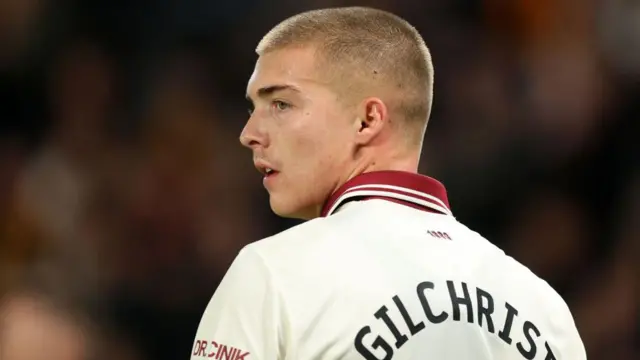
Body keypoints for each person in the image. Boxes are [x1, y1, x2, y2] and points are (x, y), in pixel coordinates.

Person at [190, 6, 586, 360]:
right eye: (253, 107)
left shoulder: (272, 274)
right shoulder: (544, 308)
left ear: (367, 120)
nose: (249, 133)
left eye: (281, 104)